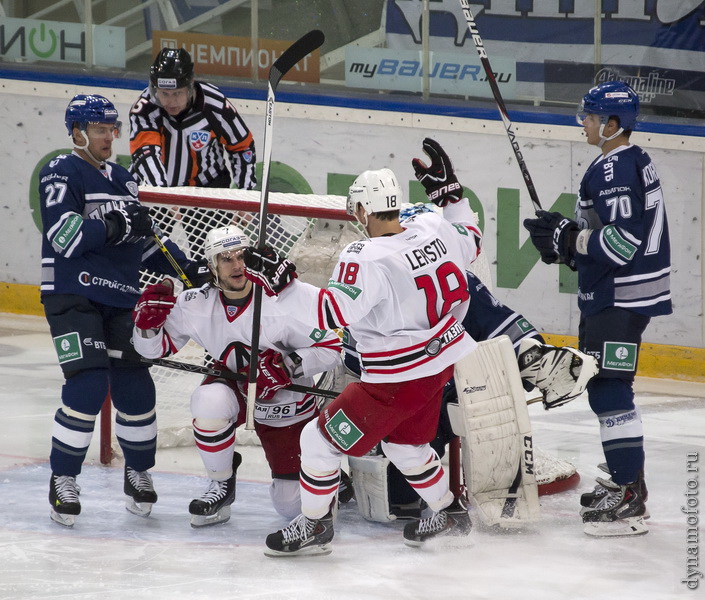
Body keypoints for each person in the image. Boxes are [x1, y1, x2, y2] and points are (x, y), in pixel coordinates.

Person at [244, 139, 483, 556]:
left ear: (361, 211)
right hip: (440, 363)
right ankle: (449, 510)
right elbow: (473, 239)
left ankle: (315, 525)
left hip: (394, 380)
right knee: (405, 446)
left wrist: (286, 285)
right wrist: (453, 198)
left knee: (318, 441)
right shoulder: (433, 225)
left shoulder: (365, 255)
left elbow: (334, 313)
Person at [40, 94, 207, 527]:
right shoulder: (61, 170)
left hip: (120, 296)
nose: (108, 137)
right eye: (99, 130)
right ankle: (63, 478)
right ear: (76, 131)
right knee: (90, 383)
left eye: (112, 129)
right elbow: (65, 238)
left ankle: (138, 472)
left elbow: (144, 242)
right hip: (72, 294)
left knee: (134, 381)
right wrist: (119, 224)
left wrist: (190, 270)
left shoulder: (124, 179)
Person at [523, 80, 672, 537]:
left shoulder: (616, 169)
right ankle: (628, 483)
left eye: (589, 116)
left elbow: (621, 244)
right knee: (606, 388)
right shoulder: (617, 163)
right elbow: (598, 237)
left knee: (609, 390)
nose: (582, 122)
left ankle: (628, 491)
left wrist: (569, 238)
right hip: (617, 297)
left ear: (612, 125)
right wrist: (566, 241)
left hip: (621, 298)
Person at [131, 225, 342, 527]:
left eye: (241, 256)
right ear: (212, 266)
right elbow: (153, 350)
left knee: (291, 507)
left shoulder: (280, 302)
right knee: (208, 402)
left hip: (284, 397)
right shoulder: (196, 304)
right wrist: (147, 326)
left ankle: (329, 475)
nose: (237, 265)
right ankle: (221, 484)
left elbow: (333, 347)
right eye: (226, 258)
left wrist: (287, 365)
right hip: (233, 384)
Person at [129, 47, 257, 257]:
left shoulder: (214, 104)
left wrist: (245, 195)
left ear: (190, 85)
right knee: (146, 259)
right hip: (156, 191)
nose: (170, 101)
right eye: (164, 94)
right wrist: (165, 195)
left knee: (213, 261)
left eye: (177, 93)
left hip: (206, 191)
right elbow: (145, 152)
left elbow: (242, 147)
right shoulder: (145, 109)